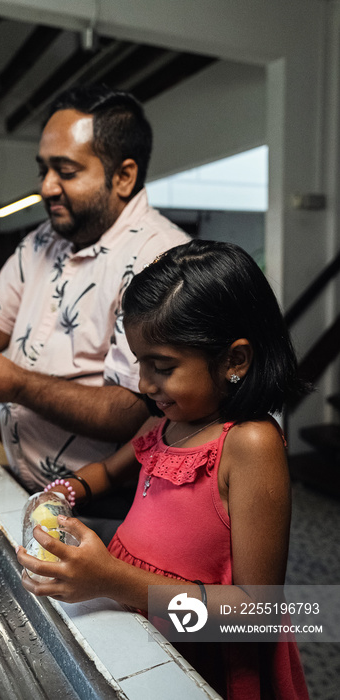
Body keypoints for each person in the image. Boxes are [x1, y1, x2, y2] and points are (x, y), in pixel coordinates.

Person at [16, 240, 310, 699]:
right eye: (139, 362)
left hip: (202, 659)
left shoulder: (250, 444)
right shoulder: (169, 420)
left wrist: (111, 578)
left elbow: (257, 614)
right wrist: (64, 493)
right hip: (139, 627)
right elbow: (111, 473)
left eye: (163, 366)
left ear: (234, 360)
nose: (143, 383)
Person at [0, 84, 187, 494]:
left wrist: (17, 384)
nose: (46, 186)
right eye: (43, 169)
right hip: (32, 484)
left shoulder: (162, 259)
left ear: (123, 176)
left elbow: (131, 410)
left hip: (106, 500)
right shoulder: (44, 239)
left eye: (66, 171)